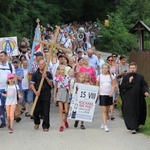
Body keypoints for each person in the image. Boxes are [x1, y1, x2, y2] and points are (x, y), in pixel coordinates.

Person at [121, 62, 149, 134]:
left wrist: (146, 92)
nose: (132, 70)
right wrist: (129, 82)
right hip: (129, 98)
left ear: (136, 69)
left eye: (133, 68)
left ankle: (136, 126)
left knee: (138, 111)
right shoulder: (126, 77)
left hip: (138, 98)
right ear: (129, 69)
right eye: (131, 68)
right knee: (130, 112)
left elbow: (144, 85)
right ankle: (133, 127)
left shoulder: (140, 77)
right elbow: (122, 87)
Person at [30, 59, 53, 132]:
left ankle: (46, 125)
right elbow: (32, 84)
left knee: (46, 110)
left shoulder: (48, 74)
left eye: (42, 64)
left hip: (46, 92)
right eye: (39, 64)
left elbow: (51, 84)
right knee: (36, 109)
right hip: (37, 92)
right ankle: (37, 122)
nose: (41, 65)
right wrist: (35, 91)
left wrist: (46, 77)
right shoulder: (35, 74)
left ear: (45, 65)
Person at [96, 63, 115, 132]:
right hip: (102, 94)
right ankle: (105, 125)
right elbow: (97, 85)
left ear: (108, 69)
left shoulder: (111, 76)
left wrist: (112, 92)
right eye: (103, 68)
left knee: (107, 110)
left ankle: (103, 122)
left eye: (106, 68)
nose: (104, 69)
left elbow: (113, 85)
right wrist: (97, 93)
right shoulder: (99, 76)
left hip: (109, 94)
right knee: (104, 110)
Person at [0, 51, 16, 128]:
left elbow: (14, 76)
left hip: (8, 88)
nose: (0, 57)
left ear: (6, 56)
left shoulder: (10, 66)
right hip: (0, 88)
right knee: (1, 106)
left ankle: (9, 120)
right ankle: (3, 121)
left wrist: (15, 87)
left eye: (2, 56)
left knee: (8, 105)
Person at [53, 65, 70, 132]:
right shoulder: (56, 78)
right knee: (60, 110)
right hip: (60, 92)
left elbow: (69, 87)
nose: (62, 71)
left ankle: (65, 119)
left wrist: (70, 94)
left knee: (66, 110)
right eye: (61, 70)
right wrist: (54, 96)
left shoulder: (67, 78)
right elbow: (55, 87)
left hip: (65, 92)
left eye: (63, 70)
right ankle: (61, 125)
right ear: (59, 70)